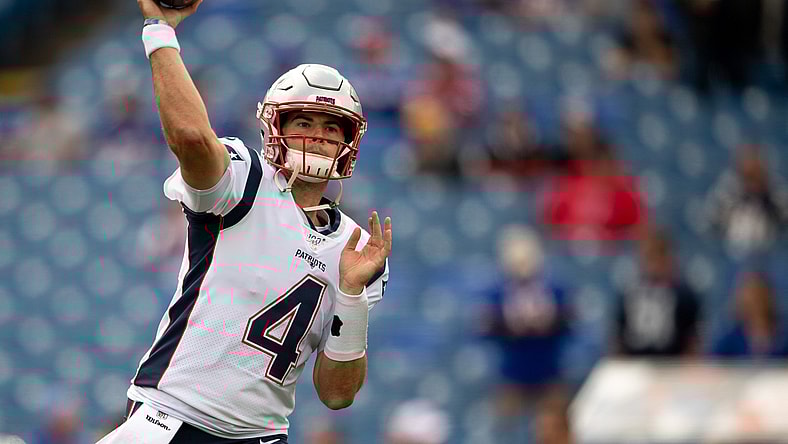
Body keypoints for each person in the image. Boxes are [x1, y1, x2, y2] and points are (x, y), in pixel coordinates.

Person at [97, 1, 392, 443]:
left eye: (333, 128)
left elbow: (336, 395)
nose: (318, 135)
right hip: (171, 417)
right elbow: (193, 138)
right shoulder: (246, 180)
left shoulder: (357, 248)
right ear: (274, 128)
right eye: (304, 122)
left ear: (348, 143)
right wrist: (160, 30)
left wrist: (350, 296)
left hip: (261, 436)